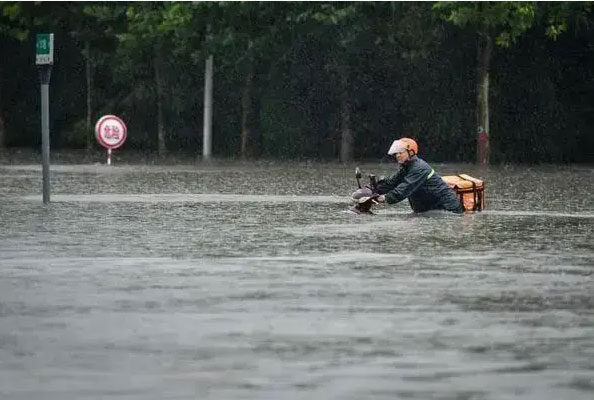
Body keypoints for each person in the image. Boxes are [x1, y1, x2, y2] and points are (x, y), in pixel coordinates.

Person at [375, 138, 463, 214]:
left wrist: (382, 199)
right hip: (429, 210)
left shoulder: (419, 168)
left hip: (447, 210)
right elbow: (391, 183)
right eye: (396, 153)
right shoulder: (407, 167)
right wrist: (370, 191)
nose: (397, 155)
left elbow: (403, 190)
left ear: (411, 152)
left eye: (401, 152)